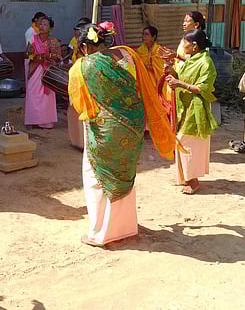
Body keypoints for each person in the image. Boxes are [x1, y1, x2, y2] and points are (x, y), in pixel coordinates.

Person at [68, 24, 177, 247]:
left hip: (105, 127)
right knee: (125, 171)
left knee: (97, 176)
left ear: (85, 47)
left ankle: (101, 233)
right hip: (134, 123)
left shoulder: (83, 66)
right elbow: (142, 84)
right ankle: (125, 227)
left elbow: (79, 103)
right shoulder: (128, 53)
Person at [166, 29, 218, 195]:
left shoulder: (206, 63)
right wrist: (171, 72)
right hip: (184, 107)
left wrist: (179, 83)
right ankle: (185, 178)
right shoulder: (192, 59)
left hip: (196, 109)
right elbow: (182, 76)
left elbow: (204, 88)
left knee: (187, 143)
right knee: (181, 142)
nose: (182, 46)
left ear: (194, 46)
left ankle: (193, 180)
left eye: (185, 43)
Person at [24, 16, 61, 129]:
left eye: (45, 25)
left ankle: (46, 122)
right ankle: (33, 121)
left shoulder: (53, 41)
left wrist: (46, 56)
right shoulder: (33, 39)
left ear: (50, 28)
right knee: (32, 94)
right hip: (34, 70)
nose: (41, 26)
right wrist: (30, 52)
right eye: (40, 24)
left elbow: (58, 57)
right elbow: (26, 54)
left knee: (46, 97)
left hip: (47, 72)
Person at [24, 12, 47, 81]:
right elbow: (29, 49)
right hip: (32, 60)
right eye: (41, 20)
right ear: (36, 20)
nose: (43, 22)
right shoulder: (31, 31)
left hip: (40, 60)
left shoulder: (39, 31)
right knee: (32, 80)